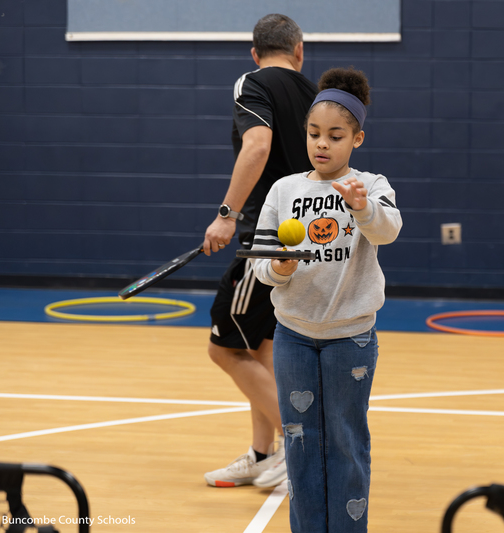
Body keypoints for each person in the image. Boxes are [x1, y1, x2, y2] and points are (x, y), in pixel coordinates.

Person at [252, 67, 402, 532]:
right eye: (314, 134)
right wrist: (279, 268)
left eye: (335, 136)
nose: (322, 144)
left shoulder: (371, 186)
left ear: (357, 138)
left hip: (350, 341)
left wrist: (361, 205)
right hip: (293, 337)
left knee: (346, 441)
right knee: (299, 443)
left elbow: (388, 230)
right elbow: (260, 263)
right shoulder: (284, 190)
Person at [202, 14, 318, 489]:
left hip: (266, 240)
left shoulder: (252, 82)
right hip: (309, 236)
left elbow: (257, 143)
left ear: (255, 53)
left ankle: (301, 447)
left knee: (224, 348)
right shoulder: (315, 93)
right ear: (299, 50)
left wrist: (227, 214)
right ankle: (260, 452)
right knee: (261, 349)